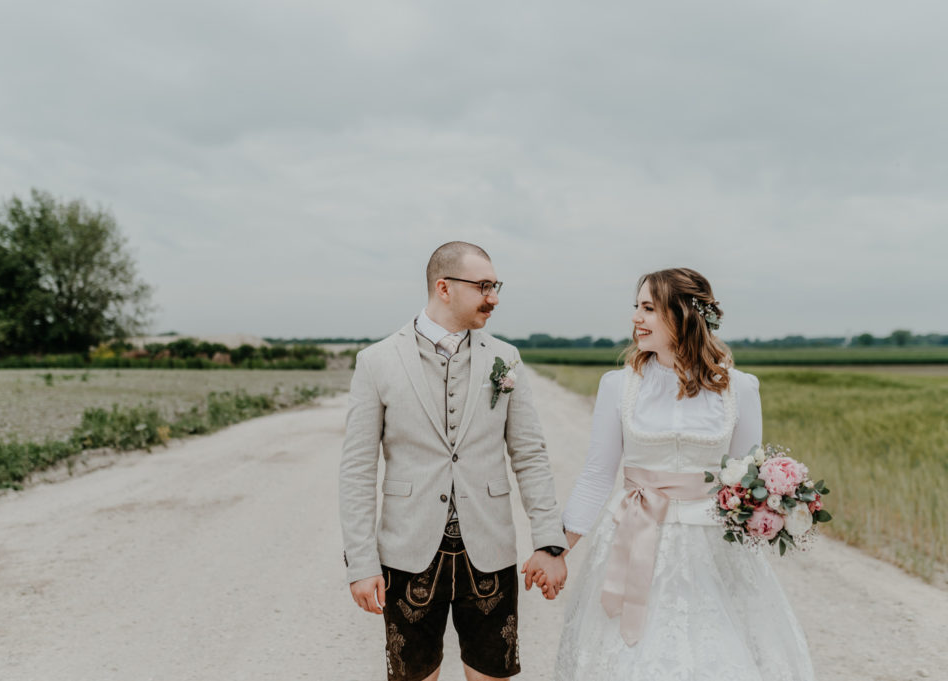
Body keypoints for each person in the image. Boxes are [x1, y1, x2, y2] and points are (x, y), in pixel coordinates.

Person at [547, 267, 816, 680]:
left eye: (649, 308)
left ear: (683, 316)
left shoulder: (740, 388)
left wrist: (775, 505)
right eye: (636, 307)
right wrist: (555, 550)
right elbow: (597, 476)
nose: (636, 317)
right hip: (631, 537)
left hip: (713, 551)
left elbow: (746, 478)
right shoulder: (618, 386)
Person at [339, 241, 568, 681]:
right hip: (407, 552)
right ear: (443, 288)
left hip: (490, 549)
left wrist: (548, 540)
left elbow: (530, 456)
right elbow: (357, 471)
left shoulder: (506, 358)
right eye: (484, 286)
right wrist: (362, 563)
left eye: (495, 286)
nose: (494, 297)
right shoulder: (376, 362)